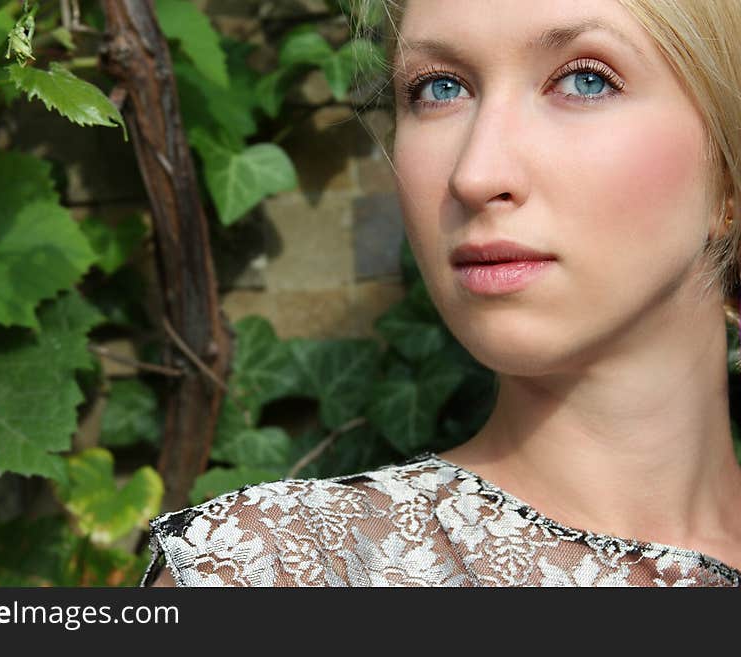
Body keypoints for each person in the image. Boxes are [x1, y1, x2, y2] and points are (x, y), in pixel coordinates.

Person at [141, 0, 741, 587]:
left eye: (584, 80)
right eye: (439, 89)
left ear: (728, 178)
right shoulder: (279, 571)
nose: (475, 175)